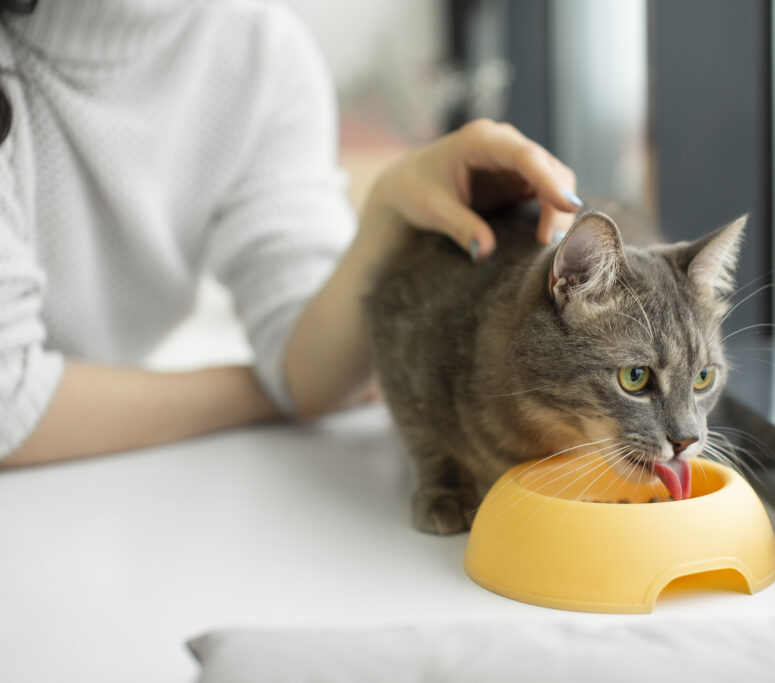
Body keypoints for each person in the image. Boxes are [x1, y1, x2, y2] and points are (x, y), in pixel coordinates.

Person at [0, 0, 580, 467]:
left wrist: (389, 217)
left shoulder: (259, 51)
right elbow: (8, 406)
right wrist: (262, 392)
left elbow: (306, 368)